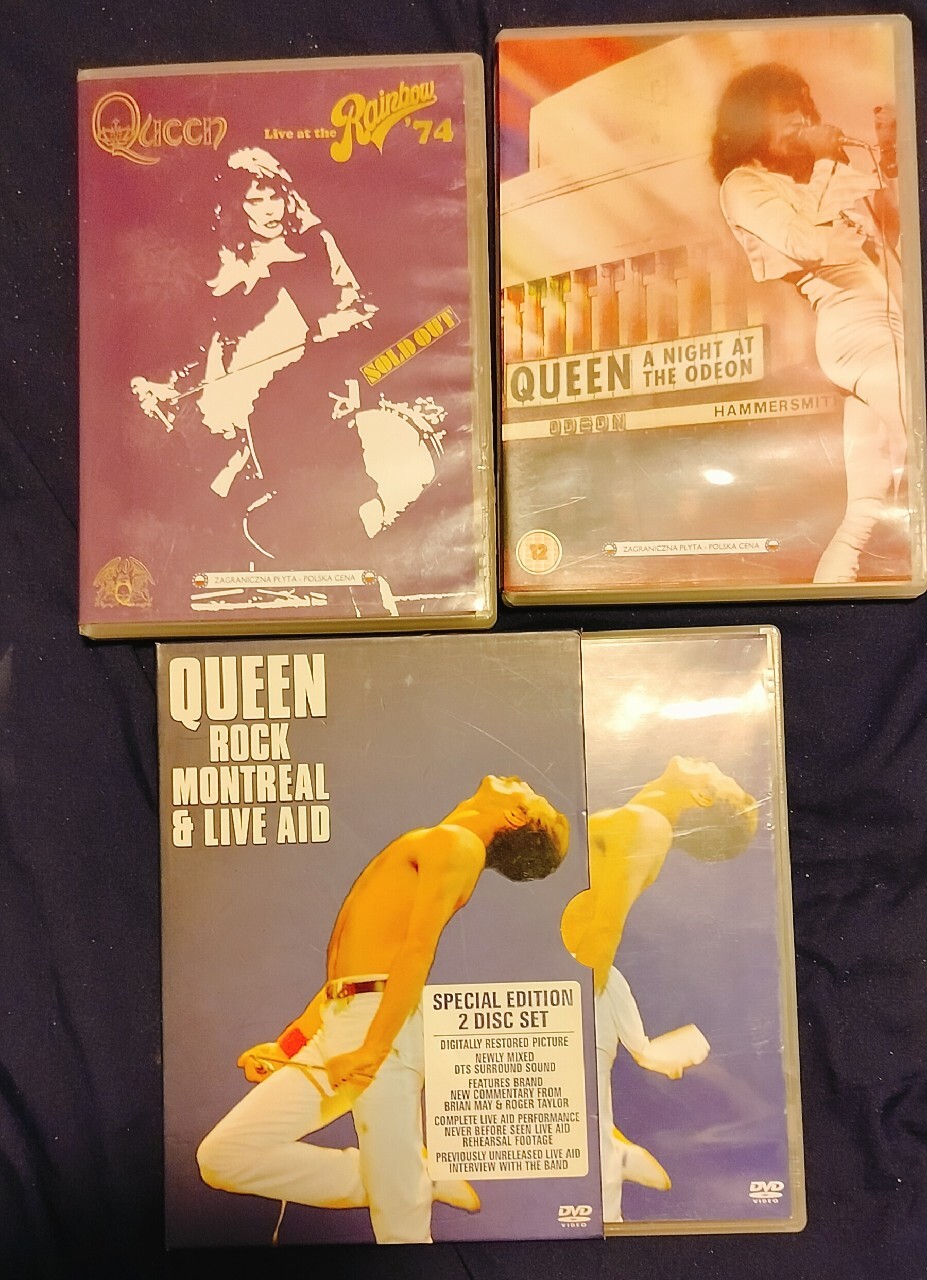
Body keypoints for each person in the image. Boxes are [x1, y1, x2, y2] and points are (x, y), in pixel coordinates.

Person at [196, 775, 570, 1245]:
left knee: (400, 1227)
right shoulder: (438, 840)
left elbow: (417, 952)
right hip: (343, 1017)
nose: (523, 780)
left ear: (515, 817)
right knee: (224, 1157)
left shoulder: (458, 845)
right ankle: (405, 1178)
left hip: (380, 1024)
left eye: (532, 793)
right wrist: (289, 1045)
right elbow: (349, 973)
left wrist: (373, 1049)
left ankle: (402, 1183)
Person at [131, 147, 378, 567]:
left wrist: (323, 340)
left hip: (303, 394)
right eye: (254, 200)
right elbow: (212, 343)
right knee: (215, 512)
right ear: (235, 206)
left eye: (274, 196)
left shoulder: (315, 244)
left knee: (325, 512)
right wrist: (169, 386)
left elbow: (356, 311)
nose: (269, 210)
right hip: (231, 407)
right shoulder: (225, 260)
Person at [710, 64, 906, 584]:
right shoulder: (744, 184)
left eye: (804, 109)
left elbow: (891, 236)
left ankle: (832, 596)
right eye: (784, 111)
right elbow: (808, 243)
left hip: (888, 324)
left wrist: (889, 159)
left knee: (867, 507)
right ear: (750, 121)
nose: (800, 119)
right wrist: (822, 161)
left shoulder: (814, 178)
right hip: (855, 327)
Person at [560, 756, 758, 1222]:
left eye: (721, 775)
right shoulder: (642, 819)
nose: (711, 762)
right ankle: (613, 1150)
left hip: (583, 981)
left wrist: (574, 1009)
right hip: (584, 978)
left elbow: (606, 927)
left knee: (571, 1112)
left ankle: (609, 1171)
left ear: (703, 797)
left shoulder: (647, 825)